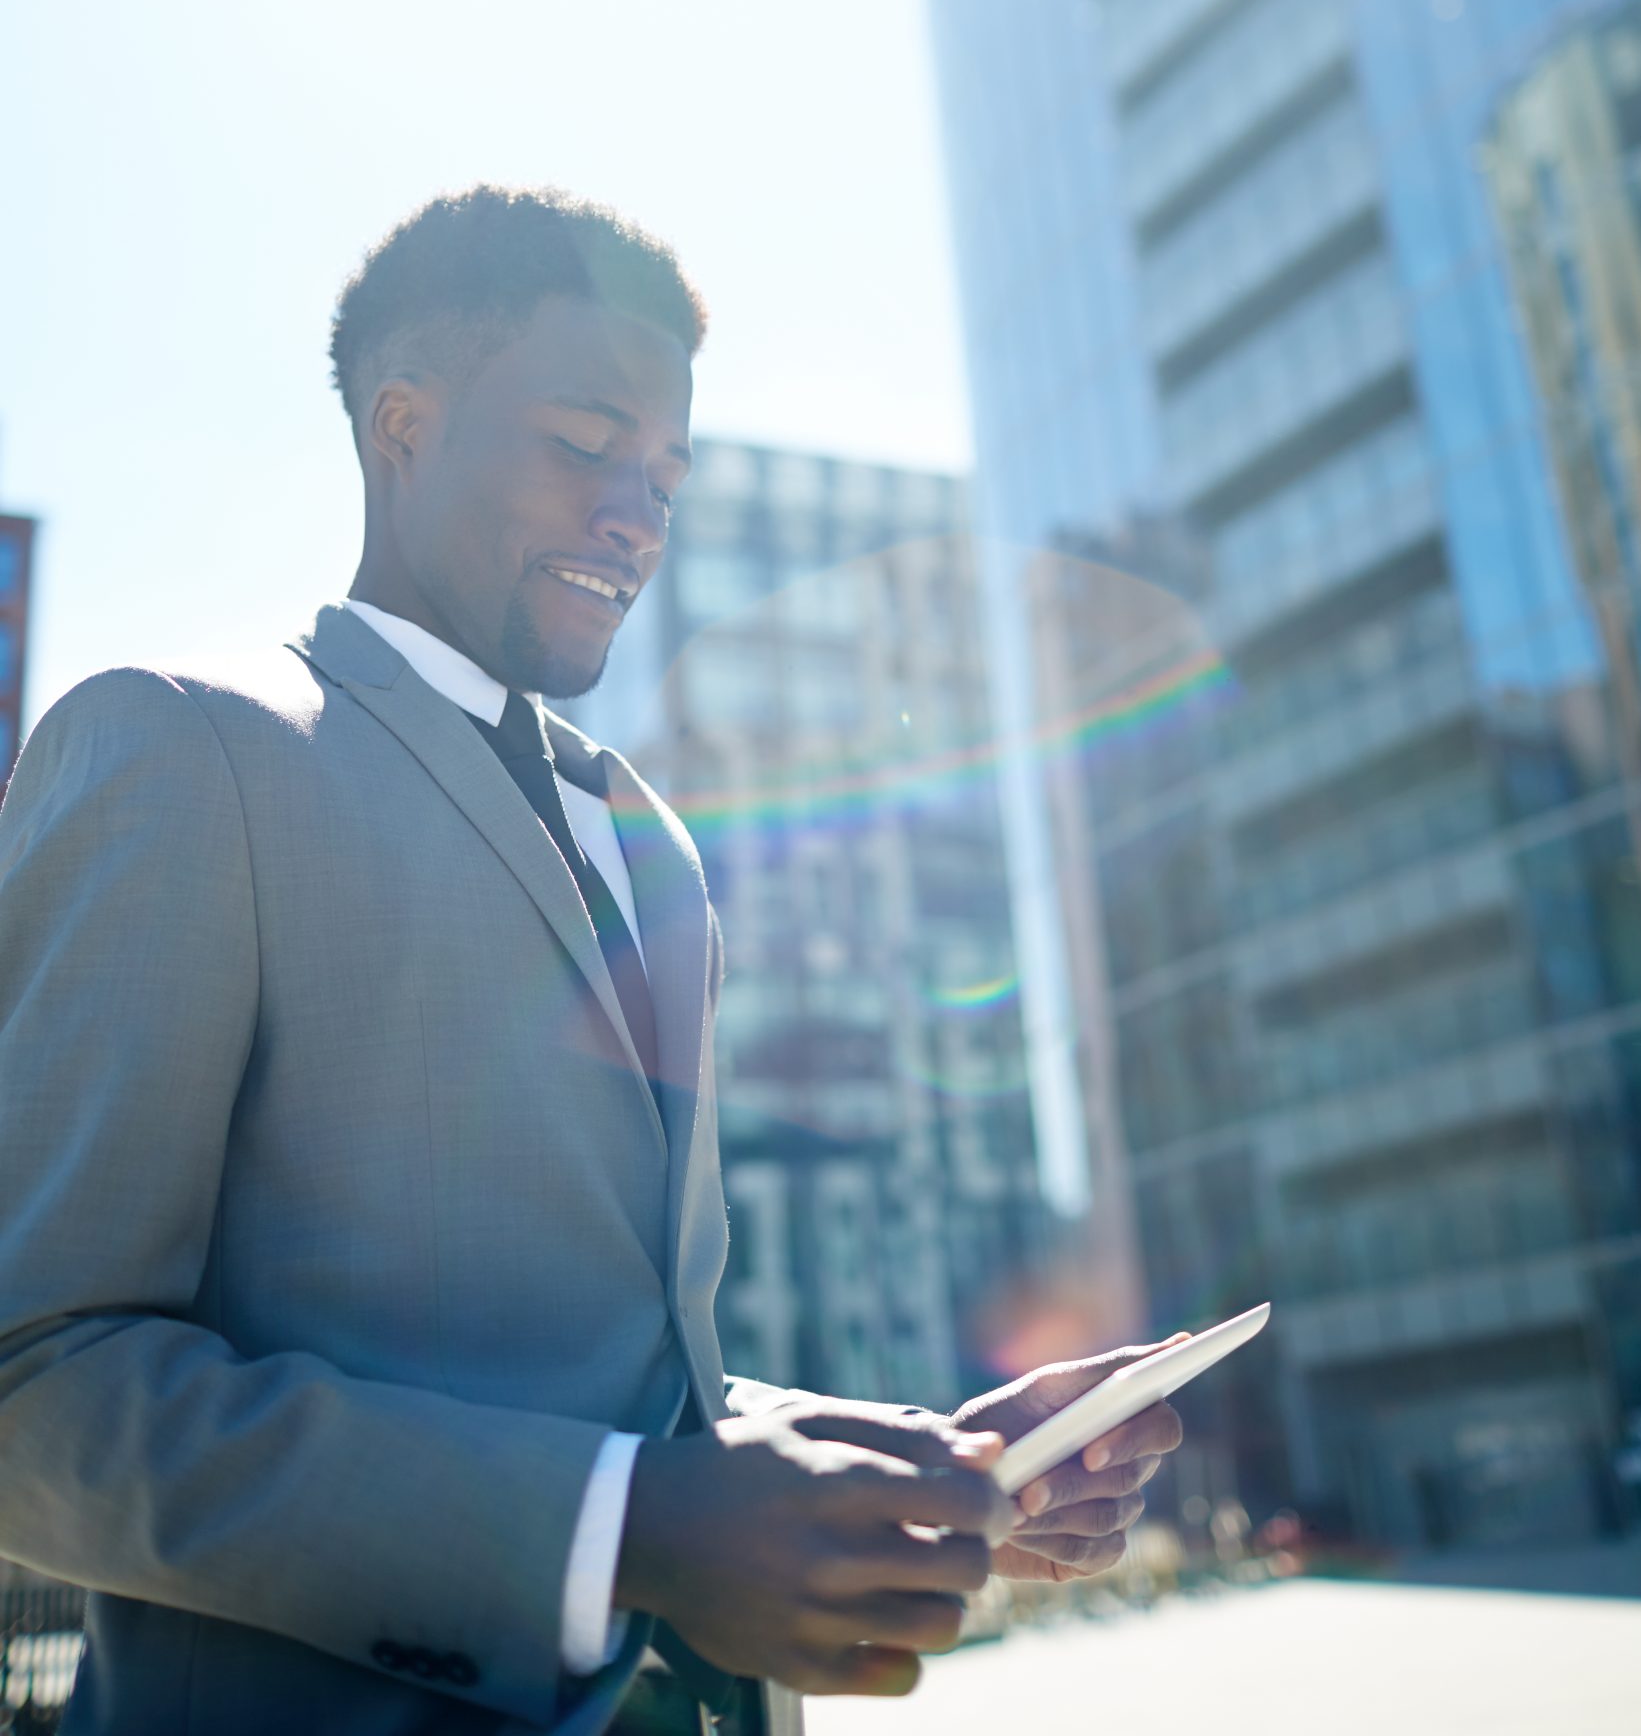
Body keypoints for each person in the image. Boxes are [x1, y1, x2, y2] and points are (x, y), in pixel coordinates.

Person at [0, 187, 1182, 1735]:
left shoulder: (658, 851)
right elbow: (34, 1386)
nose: (638, 514)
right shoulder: (178, 745)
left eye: (667, 477)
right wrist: (622, 1533)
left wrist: (919, 1471)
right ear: (404, 424)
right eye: (583, 443)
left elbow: (620, 1385)